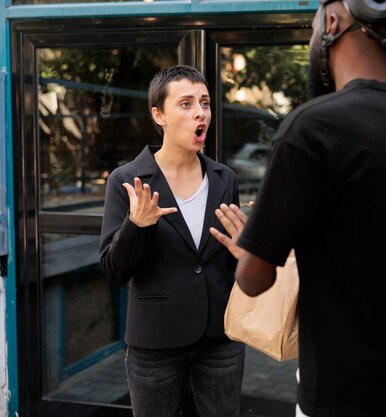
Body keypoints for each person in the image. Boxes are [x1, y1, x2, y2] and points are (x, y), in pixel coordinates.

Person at [213, 1, 386, 416]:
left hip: (343, 397)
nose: (310, 38)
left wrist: (251, 247)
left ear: (333, 22)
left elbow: (253, 280)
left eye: (311, 27)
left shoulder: (313, 127)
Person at [99, 64, 245, 417]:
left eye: (205, 103)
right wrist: (137, 225)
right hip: (155, 347)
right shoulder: (128, 179)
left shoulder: (225, 178)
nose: (200, 112)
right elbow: (113, 271)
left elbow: (233, 266)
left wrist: (244, 252)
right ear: (158, 115)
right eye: (186, 104)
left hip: (220, 342)